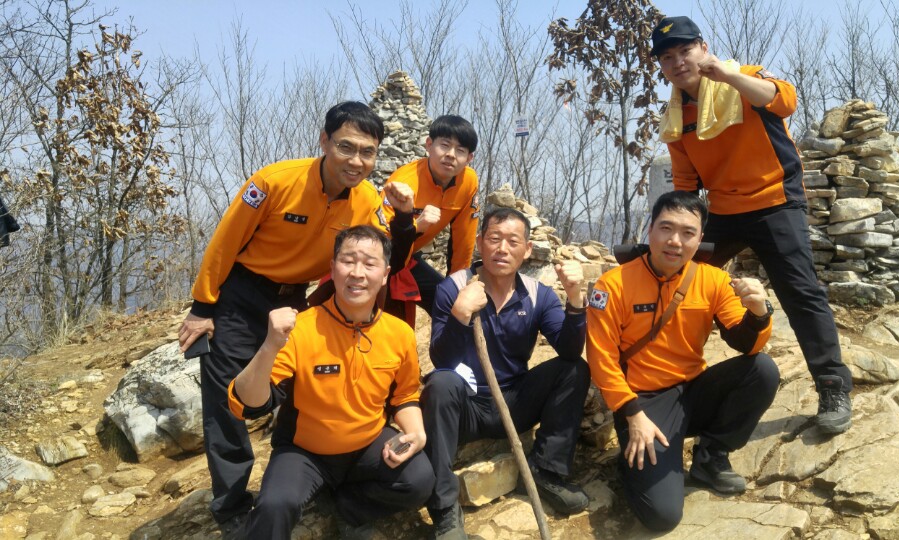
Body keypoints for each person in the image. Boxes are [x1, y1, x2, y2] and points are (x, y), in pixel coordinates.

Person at [176, 101, 417, 536]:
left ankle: (298, 471)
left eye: (368, 152)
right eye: (346, 147)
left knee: (294, 383)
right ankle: (232, 506)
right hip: (241, 294)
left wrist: (404, 220)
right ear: (324, 141)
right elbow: (225, 241)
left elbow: (384, 261)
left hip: (295, 299)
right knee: (227, 400)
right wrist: (203, 306)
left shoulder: (366, 200)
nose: (356, 161)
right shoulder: (275, 181)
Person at [652, 15, 853, 434]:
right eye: (667, 57)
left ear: (703, 48)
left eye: (685, 51)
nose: (678, 62)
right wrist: (677, 230)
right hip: (723, 210)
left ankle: (833, 385)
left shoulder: (743, 78)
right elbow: (686, 181)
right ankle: (664, 378)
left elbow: (785, 101)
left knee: (800, 292)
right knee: (676, 278)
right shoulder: (675, 116)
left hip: (775, 201)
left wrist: (729, 76)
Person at [586, 191, 780, 531]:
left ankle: (711, 457)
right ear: (650, 230)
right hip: (644, 402)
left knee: (762, 370)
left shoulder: (713, 280)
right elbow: (601, 359)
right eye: (666, 228)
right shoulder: (613, 285)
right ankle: (632, 468)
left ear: (700, 238)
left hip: (694, 389)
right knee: (661, 516)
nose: (675, 241)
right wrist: (632, 414)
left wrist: (759, 313)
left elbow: (745, 344)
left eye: (688, 232)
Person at [227, 225, 434, 539]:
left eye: (369, 263)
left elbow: (404, 396)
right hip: (305, 453)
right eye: (348, 261)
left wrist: (416, 432)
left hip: (368, 446)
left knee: (419, 480)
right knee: (275, 506)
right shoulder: (301, 328)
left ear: (385, 274)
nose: (357, 273)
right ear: (332, 268)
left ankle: (346, 508)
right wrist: (269, 346)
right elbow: (246, 405)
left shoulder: (399, 333)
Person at [421, 207, 591, 540]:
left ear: (527, 250)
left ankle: (547, 472)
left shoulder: (537, 294)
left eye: (513, 241)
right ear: (480, 243)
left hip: (514, 402)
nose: (502, 249)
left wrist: (575, 300)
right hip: (465, 406)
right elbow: (441, 359)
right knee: (440, 382)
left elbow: (569, 351)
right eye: (494, 238)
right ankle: (444, 509)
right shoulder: (453, 288)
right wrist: (460, 313)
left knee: (573, 369)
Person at [381, 115, 480, 326]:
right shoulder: (404, 181)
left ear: (469, 158)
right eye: (444, 145)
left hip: (410, 259)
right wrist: (417, 226)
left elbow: (464, 238)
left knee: (452, 307)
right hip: (381, 260)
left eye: (460, 150)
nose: (451, 155)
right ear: (429, 145)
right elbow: (383, 242)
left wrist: (458, 284)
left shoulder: (468, 181)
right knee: (390, 324)